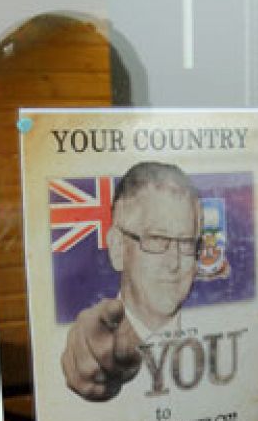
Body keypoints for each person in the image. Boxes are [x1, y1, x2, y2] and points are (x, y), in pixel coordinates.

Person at [60, 160, 202, 401]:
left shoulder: (228, 330)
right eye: (156, 239)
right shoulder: (84, 339)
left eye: (187, 242)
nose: (174, 263)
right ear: (117, 248)